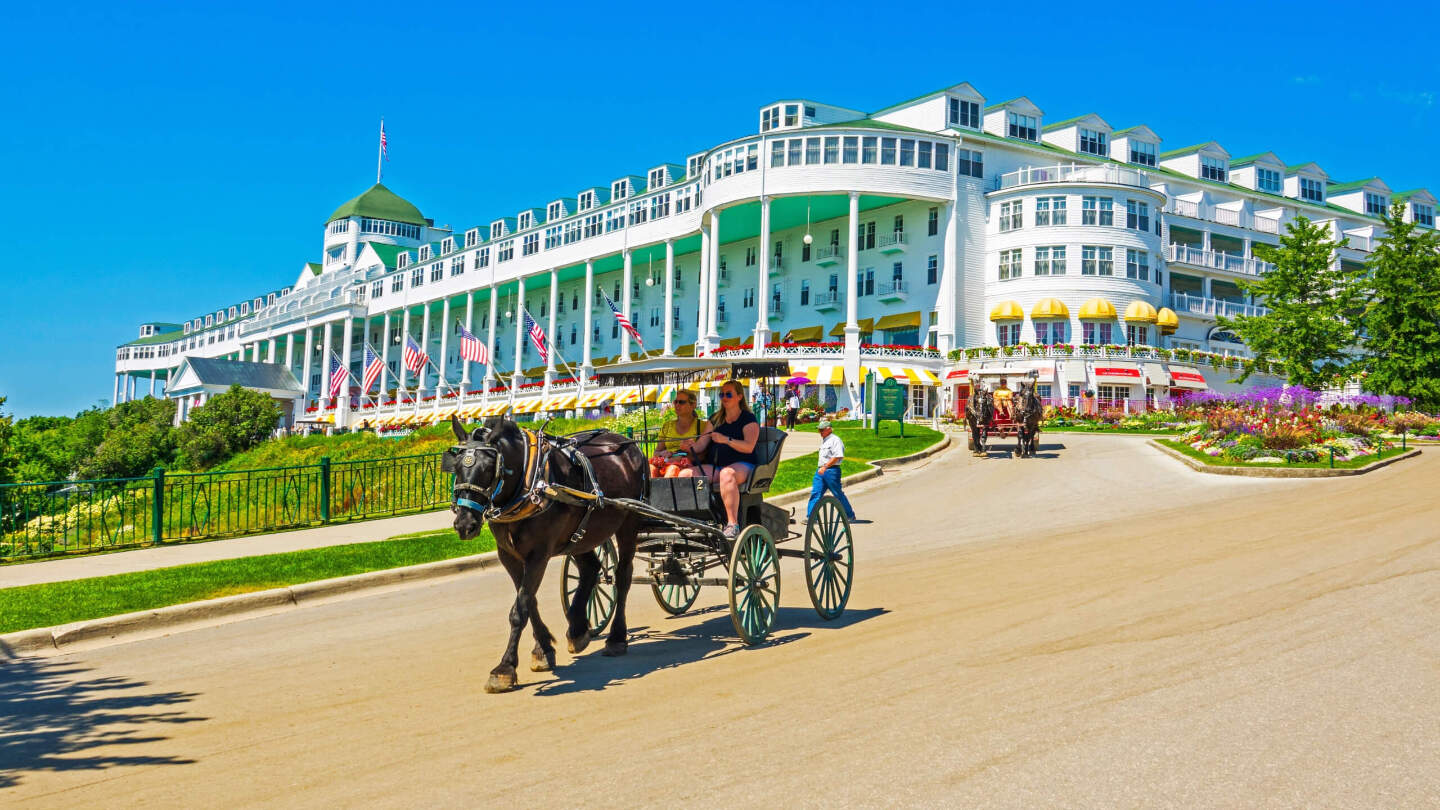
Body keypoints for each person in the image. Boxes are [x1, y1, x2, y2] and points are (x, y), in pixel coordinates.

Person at [678, 379, 760, 539]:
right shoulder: (716, 418)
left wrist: (725, 440)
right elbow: (702, 444)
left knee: (727, 475)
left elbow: (749, 446)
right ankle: (695, 518)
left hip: (744, 465)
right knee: (685, 475)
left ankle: (732, 524)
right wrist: (690, 446)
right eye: (722, 394)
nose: (724, 397)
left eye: (728, 394)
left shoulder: (748, 419)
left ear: (739, 397)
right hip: (718, 466)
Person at [807, 419, 856, 521]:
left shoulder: (835, 440)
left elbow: (837, 456)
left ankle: (849, 515)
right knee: (816, 493)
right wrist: (822, 468)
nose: (820, 432)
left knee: (837, 494)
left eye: (822, 430)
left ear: (829, 429)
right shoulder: (825, 440)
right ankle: (811, 517)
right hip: (821, 471)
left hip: (831, 471)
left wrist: (825, 467)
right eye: (819, 430)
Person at [655, 389, 709, 460]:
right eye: (675, 402)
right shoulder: (667, 426)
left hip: (690, 465)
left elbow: (704, 454)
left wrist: (681, 458)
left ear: (693, 405)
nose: (677, 405)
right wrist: (661, 453)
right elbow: (656, 452)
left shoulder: (703, 426)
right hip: (667, 463)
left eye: (681, 402)